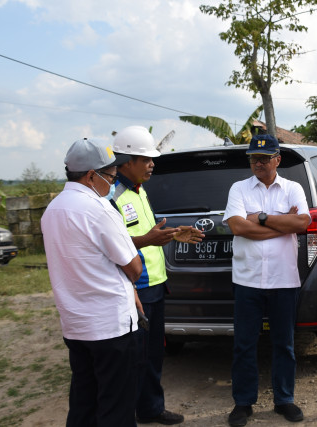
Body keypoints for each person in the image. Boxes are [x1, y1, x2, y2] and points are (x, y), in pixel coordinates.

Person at [41, 137, 143, 426]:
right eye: (110, 176)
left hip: (76, 325)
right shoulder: (99, 209)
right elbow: (133, 268)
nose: (111, 183)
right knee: (116, 406)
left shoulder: (53, 209)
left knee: (84, 401)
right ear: (91, 175)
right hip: (111, 326)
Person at [111, 125, 204, 425]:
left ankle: (151, 408)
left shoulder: (140, 190)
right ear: (126, 162)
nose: (152, 164)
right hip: (133, 287)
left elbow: (146, 234)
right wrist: (148, 240)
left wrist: (175, 234)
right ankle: (127, 414)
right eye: (145, 159)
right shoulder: (113, 196)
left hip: (155, 284)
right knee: (132, 357)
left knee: (152, 355)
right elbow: (113, 245)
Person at [223, 135, 311, 426]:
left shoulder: (293, 188)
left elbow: (302, 223)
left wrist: (258, 218)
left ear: (277, 160)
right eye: (253, 158)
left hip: (283, 279)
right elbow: (237, 226)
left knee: (284, 344)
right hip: (247, 279)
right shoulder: (239, 188)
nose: (258, 163)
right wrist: (280, 223)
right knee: (244, 344)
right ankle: (243, 403)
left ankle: (284, 399)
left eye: (264, 158)